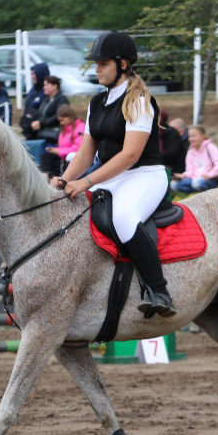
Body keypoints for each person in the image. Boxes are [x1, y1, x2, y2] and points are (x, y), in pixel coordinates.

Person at [52, 31, 174, 317]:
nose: (97, 69)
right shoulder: (97, 102)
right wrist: (64, 181)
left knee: (123, 217)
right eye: (96, 64)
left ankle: (159, 291)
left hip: (144, 174)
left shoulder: (140, 100)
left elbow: (130, 155)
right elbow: (85, 153)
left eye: (103, 63)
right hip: (112, 176)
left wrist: (86, 181)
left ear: (122, 64)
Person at [30, 76, 70, 175]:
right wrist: (35, 122)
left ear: (55, 86)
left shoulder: (62, 99)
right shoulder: (46, 100)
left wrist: (41, 123)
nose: (44, 87)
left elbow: (59, 115)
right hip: (42, 136)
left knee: (47, 164)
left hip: (54, 138)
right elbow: (41, 115)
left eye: (46, 85)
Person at [170, 125, 218, 194]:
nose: (191, 139)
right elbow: (190, 170)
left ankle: (207, 193)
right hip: (193, 179)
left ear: (202, 137)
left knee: (197, 183)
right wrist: (183, 175)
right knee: (173, 184)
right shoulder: (190, 151)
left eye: (194, 136)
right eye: (190, 136)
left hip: (209, 179)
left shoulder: (210, 147)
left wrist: (210, 175)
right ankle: (196, 194)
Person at [20, 62, 50, 138]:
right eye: (32, 74)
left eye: (35, 74)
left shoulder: (47, 92)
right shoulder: (32, 91)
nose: (32, 76)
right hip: (29, 131)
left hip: (41, 132)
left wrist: (41, 123)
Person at [51, 105, 86, 169]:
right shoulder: (65, 129)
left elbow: (79, 148)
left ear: (70, 117)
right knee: (48, 156)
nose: (61, 123)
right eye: (60, 121)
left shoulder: (80, 128)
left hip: (72, 159)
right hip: (64, 156)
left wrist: (59, 151)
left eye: (62, 120)